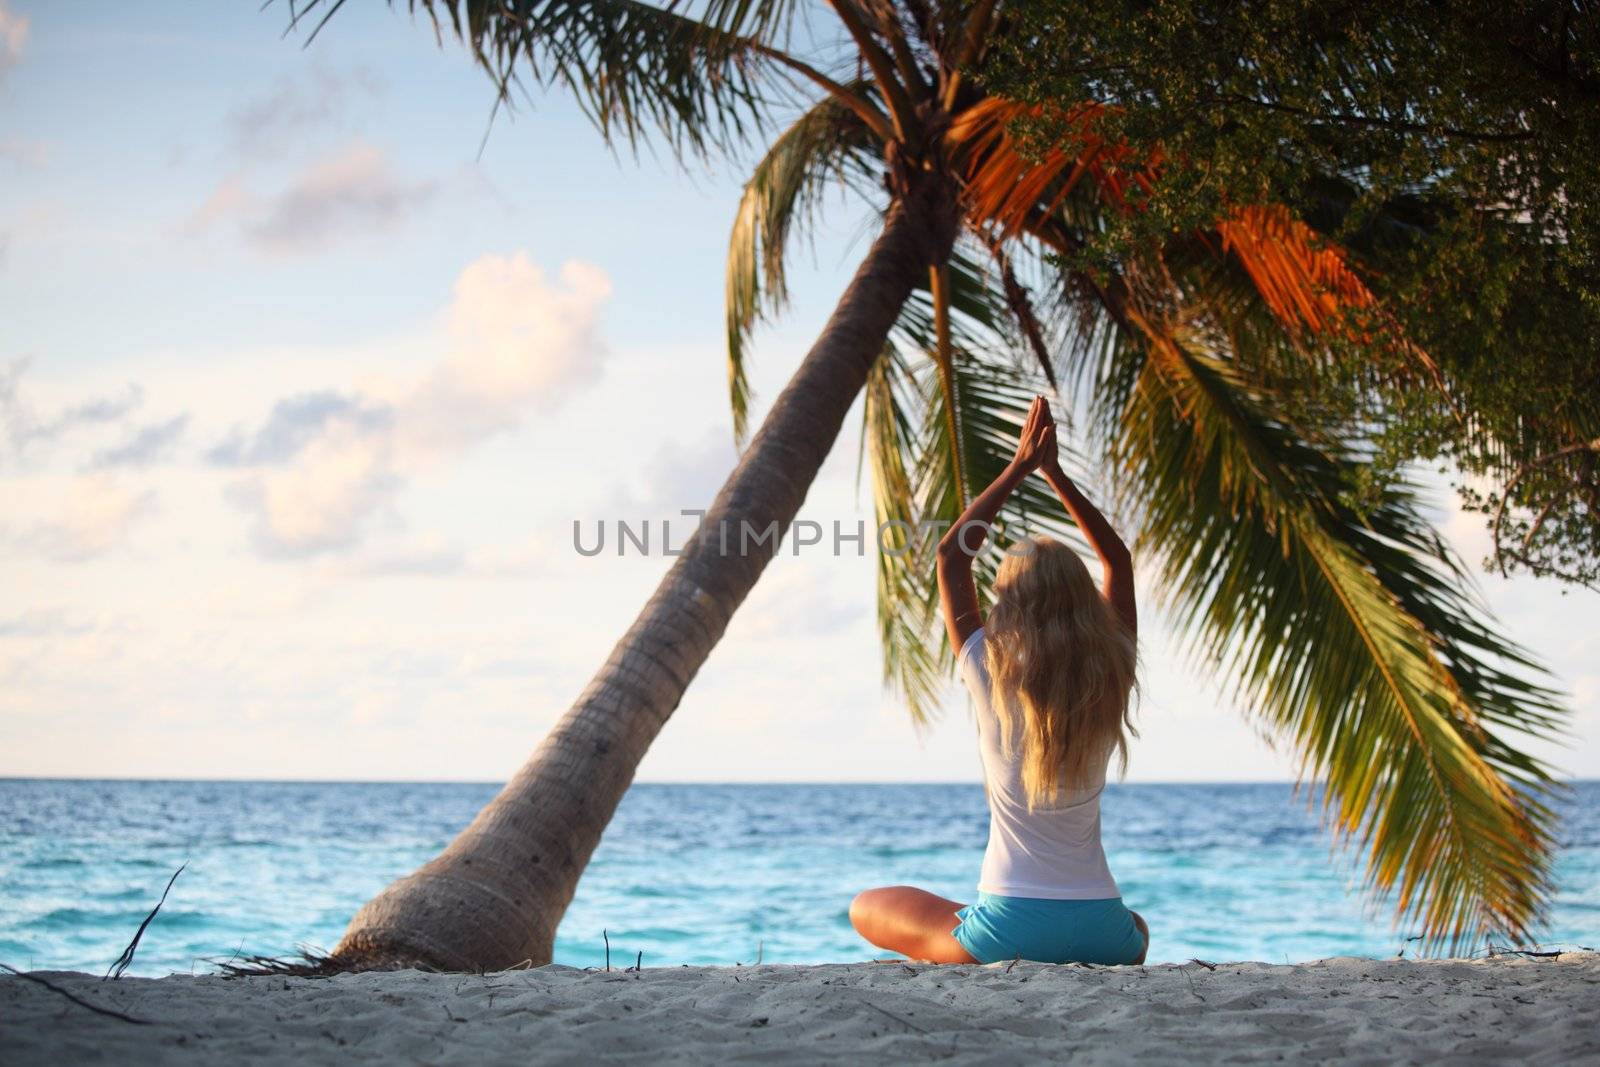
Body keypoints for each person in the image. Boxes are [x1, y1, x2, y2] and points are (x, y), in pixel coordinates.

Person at [849, 396, 1149, 966]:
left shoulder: (988, 666)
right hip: (1107, 937)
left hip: (1005, 935)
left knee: (867, 905)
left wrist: (1019, 468)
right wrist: (1057, 475)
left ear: (1009, 603)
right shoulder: (1113, 670)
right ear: (1084, 602)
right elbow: (1119, 564)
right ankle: (1043, 919)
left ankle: (1007, 915)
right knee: (1135, 924)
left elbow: (951, 557)